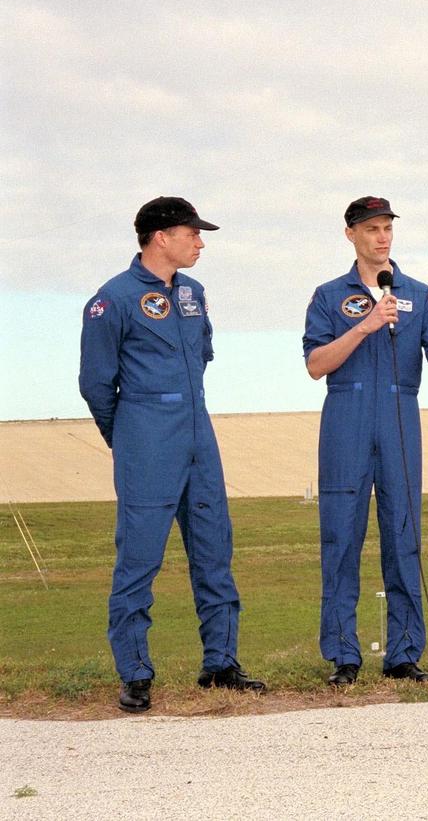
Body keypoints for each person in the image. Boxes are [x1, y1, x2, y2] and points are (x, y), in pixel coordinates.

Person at [79, 197, 266, 713]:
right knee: (139, 558)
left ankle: (221, 663)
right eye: (193, 233)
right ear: (161, 236)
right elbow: (96, 385)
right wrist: (131, 439)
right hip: (145, 435)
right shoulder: (111, 299)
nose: (201, 242)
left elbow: (201, 356)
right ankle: (136, 673)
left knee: (213, 550)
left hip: (197, 433)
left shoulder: (194, 294)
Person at [303, 196, 428, 686]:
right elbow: (315, 365)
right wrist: (366, 324)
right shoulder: (330, 295)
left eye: (388, 227)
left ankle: (404, 653)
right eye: (372, 228)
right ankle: (343, 655)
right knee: (341, 537)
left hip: (399, 416)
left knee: (402, 536)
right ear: (351, 234)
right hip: (346, 416)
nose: (382, 237)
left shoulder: (417, 291)